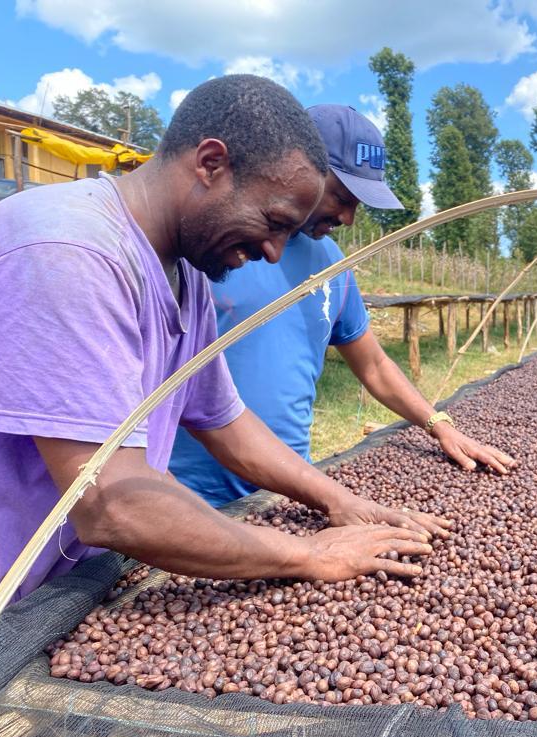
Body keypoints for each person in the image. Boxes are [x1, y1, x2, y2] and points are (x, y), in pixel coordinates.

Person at [0, 76, 446, 618]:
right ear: (210, 164)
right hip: (2, 599)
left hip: (83, 580)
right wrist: (306, 553)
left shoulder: (189, 277)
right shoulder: (65, 250)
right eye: (273, 222)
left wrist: (337, 499)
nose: (274, 252)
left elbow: (225, 421)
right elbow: (109, 503)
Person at [170, 105, 516, 507]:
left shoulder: (332, 262)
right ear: (298, 169)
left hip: (290, 491)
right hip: (190, 499)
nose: (349, 218)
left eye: (358, 204)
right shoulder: (215, 249)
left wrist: (440, 425)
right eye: (340, 197)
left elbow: (374, 364)